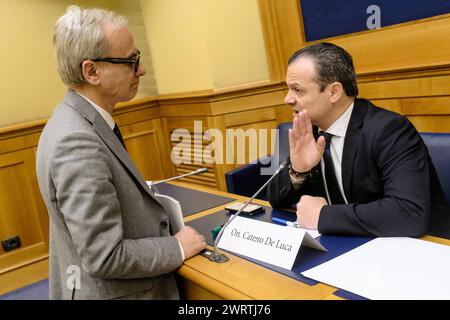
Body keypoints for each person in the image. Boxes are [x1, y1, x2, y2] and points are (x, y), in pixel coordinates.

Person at [36, 6, 206, 300]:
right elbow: (105, 255)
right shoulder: (77, 142)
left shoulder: (70, 119)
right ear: (91, 71)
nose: (140, 69)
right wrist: (177, 247)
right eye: (131, 61)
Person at [267, 42, 450, 239]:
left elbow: (408, 213)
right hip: (349, 245)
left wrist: (324, 216)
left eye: (298, 90)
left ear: (334, 92)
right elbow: (275, 200)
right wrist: (298, 171)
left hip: (422, 250)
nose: (287, 99)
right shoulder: (308, 130)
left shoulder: (389, 130)